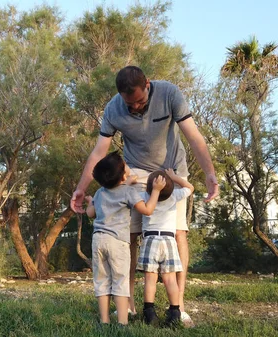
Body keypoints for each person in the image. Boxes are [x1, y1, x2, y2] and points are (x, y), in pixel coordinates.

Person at [71, 66, 219, 326]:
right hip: (136, 174)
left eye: (139, 101)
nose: (135, 107)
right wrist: (82, 187)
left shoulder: (169, 93)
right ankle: (126, 305)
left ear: (148, 85)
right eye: (130, 103)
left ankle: (179, 305)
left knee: (177, 234)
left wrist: (209, 173)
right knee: (128, 236)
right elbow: (99, 152)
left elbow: (193, 136)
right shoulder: (113, 109)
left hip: (172, 172)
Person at [84, 151, 163, 326]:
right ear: (123, 174)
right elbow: (147, 210)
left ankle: (104, 321)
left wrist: (90, 201)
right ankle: (122, 322)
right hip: (118, 243)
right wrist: (156, 191)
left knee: (102, 280)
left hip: (98, 240)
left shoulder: (100, 192)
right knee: (120, 280)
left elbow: (90, 213)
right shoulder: (128, 191)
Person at [137, 169, 194, 328]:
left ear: (149, 187)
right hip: (169, 240)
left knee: (150, 279)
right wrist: (176, 178)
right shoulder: (174, 195)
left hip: (150, 239)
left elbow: (131, 199)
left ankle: (149, 313)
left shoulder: (144, 197)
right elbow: (190, 188)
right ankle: (175, 313)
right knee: (170, 279)